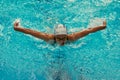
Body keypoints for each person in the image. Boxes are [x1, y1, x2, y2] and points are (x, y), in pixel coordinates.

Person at [13, 19, 106, 46]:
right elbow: (31, 32)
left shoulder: (72, 37)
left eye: (63, 38)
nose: (62, 41)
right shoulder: (48, 37)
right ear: (54, 36)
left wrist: (102, 26)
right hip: (50, 32)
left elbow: (88, 31)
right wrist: (17, 28)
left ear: (67, 36)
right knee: (48, 24)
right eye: (59, 38)